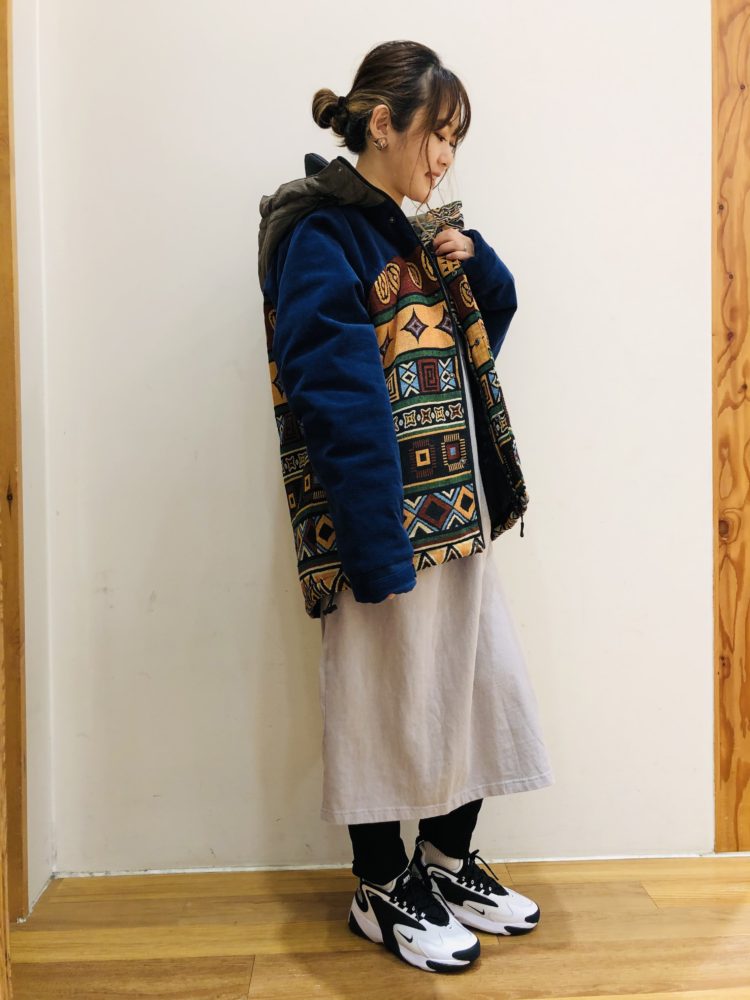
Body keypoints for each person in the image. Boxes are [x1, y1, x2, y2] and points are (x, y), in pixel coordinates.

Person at [257, 39, 554, 975]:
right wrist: (375, 541)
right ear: (382, 124)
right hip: (381, 522)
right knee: (384, 700)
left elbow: (472, 350)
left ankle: (445, 862)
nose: (445, 158)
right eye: (438, 135)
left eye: (457, 141)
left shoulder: (414, 233)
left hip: (452, 513)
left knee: (472, 688)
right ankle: (380, 887)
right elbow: (334, 393)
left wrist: (482, 268)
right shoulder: (321, 233)